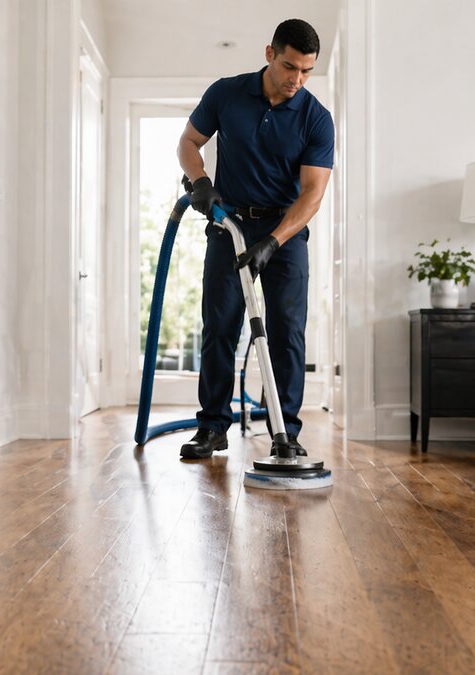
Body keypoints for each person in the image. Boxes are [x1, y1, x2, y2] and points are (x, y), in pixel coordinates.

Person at [176, 18, 335, 460]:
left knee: (287, 332)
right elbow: (189, 141)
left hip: (285, 234)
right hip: (229, 227)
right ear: (270, 54)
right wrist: (201, 181)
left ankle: (285, 429)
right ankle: (212, 427)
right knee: (221, 326)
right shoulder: (226, 93)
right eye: (289, 67)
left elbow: (313, 193)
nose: (296, 80)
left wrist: (275, 240)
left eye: (306, 71)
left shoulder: (315, 118)